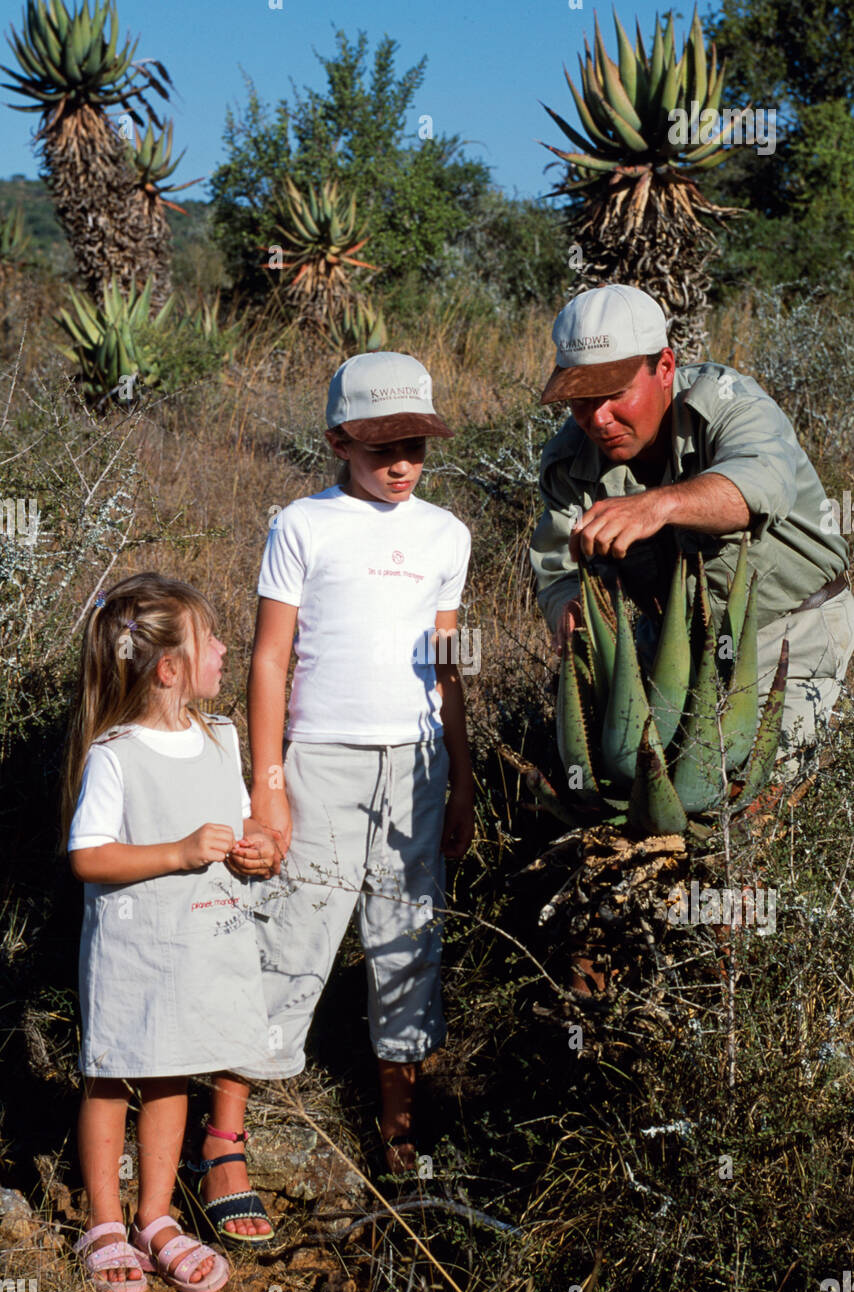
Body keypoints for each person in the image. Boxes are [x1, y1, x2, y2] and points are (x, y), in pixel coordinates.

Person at [248, 350, 474, 1174]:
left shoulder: (447, 534)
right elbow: (270, 660)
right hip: (321, 763)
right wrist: (268, 782)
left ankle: (400, 1139)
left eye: (416, 443)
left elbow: (446, 665)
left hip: (416, 770)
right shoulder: (301, 524)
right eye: (381, 447)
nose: (402, 463)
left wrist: (463, 777)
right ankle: (233, 1141)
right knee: (291, 937)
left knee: (408, 942)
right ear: (340, 439)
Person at [61, 573, 281, 1292]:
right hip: (131, 951)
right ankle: (104, 1220)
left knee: (169, 1072)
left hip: (201, 950)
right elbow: (88, 856)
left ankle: (154, 1217)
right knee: (111, 1075)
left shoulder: (221, 736)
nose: (225, 648)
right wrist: (179, 852)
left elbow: (242, 819)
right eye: (210, 639)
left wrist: (257, 847)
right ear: (169, 669)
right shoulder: (117, 753)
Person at [530, 284, 854, 753]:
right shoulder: (568, 459)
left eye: (615, 393)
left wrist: (658, 506)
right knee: (628, 776)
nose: (598, 418)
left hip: (785, 630)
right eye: (580, 399)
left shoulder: (728, 400)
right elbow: (558, 569)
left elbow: (762, 484)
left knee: (751, 803)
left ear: (664, 367)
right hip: (667, 644)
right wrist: (570, 611)